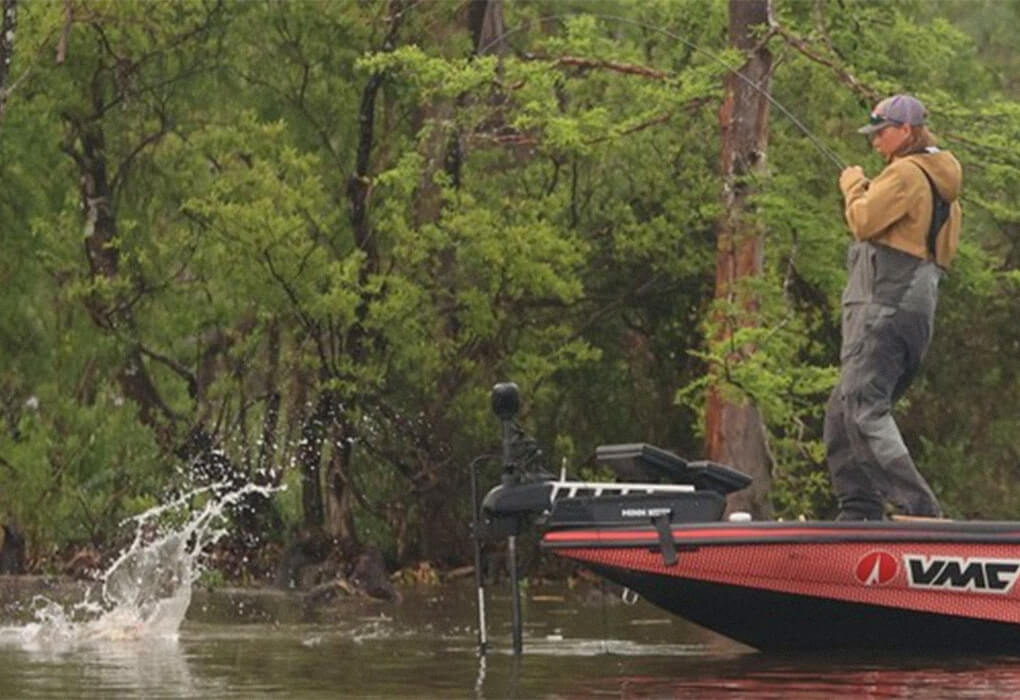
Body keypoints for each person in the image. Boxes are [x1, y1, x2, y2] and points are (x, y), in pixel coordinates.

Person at [825, 94, 962, 521]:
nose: (875, 143)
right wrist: (869, 189)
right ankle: (859, 510)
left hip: (884, 305)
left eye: (881, 133)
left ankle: (921, 515)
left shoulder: (904, 173)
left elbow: (864, 222)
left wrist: (853, 186)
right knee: (842, 409)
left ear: (907, 131)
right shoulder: (941, 185)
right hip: (916, 310)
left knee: (864, 408)